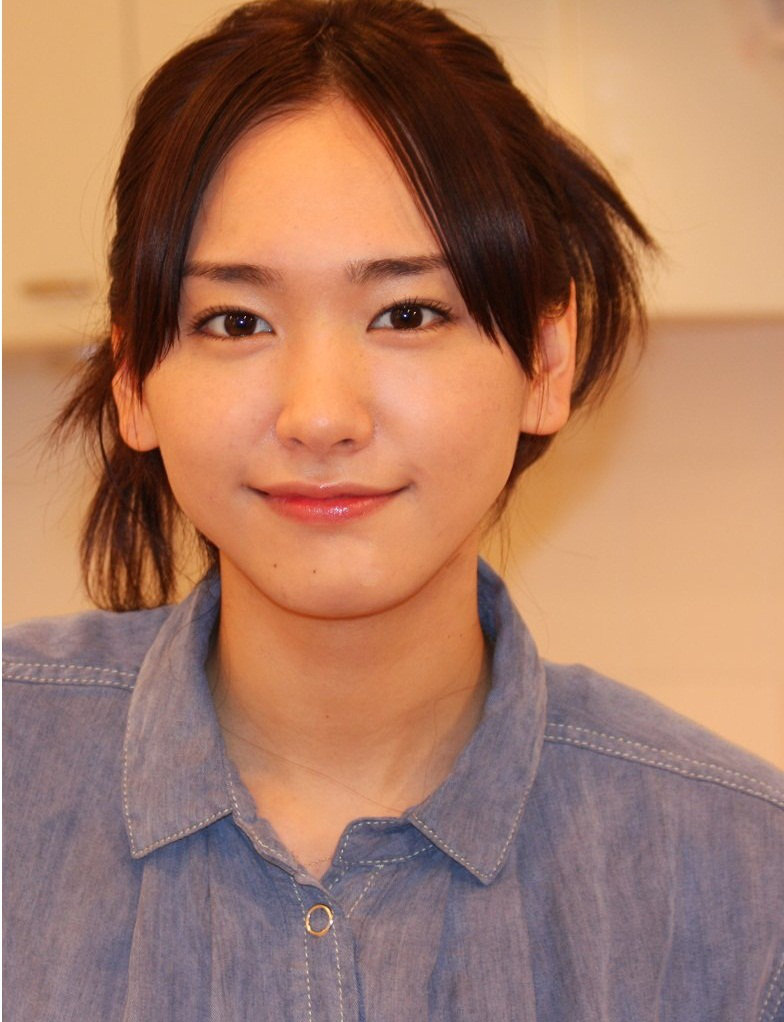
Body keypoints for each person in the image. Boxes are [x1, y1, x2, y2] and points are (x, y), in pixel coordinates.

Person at [4, 0, 783, 1018]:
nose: (321, 416)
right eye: (235, 320)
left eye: (407, 313)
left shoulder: (740, 879)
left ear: (546, 360)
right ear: (134, 381)